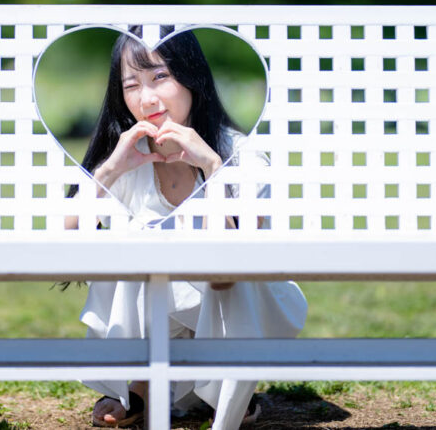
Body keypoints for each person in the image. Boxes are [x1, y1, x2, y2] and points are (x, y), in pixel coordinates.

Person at [66, 27, 308, 430]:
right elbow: (66, 241)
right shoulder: (128, 155)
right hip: (167, 332)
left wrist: (212, 168)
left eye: (160, 77)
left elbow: (230, 269)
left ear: (192, 77)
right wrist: (109, 171)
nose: (147, 98)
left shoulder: (241, 154)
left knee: (201, 253)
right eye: (132, 85)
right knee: (136, 239)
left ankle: (228, 384)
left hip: (241, 314)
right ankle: (146, 384)